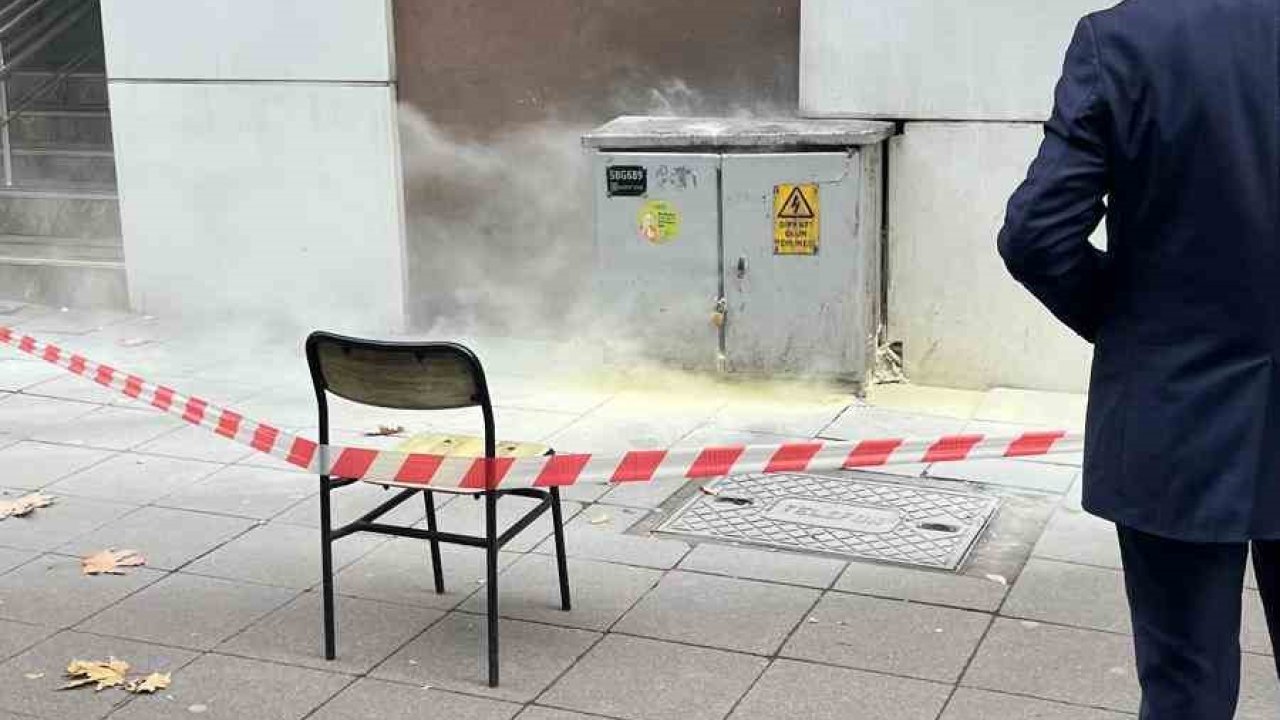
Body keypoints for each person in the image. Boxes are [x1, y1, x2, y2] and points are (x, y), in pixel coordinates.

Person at [997, 1, 1279, 717]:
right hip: (1182, 400)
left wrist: (1130, 330)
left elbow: (1036, 236)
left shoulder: (1125, 39)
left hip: (1175, 410)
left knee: (1187, 684)